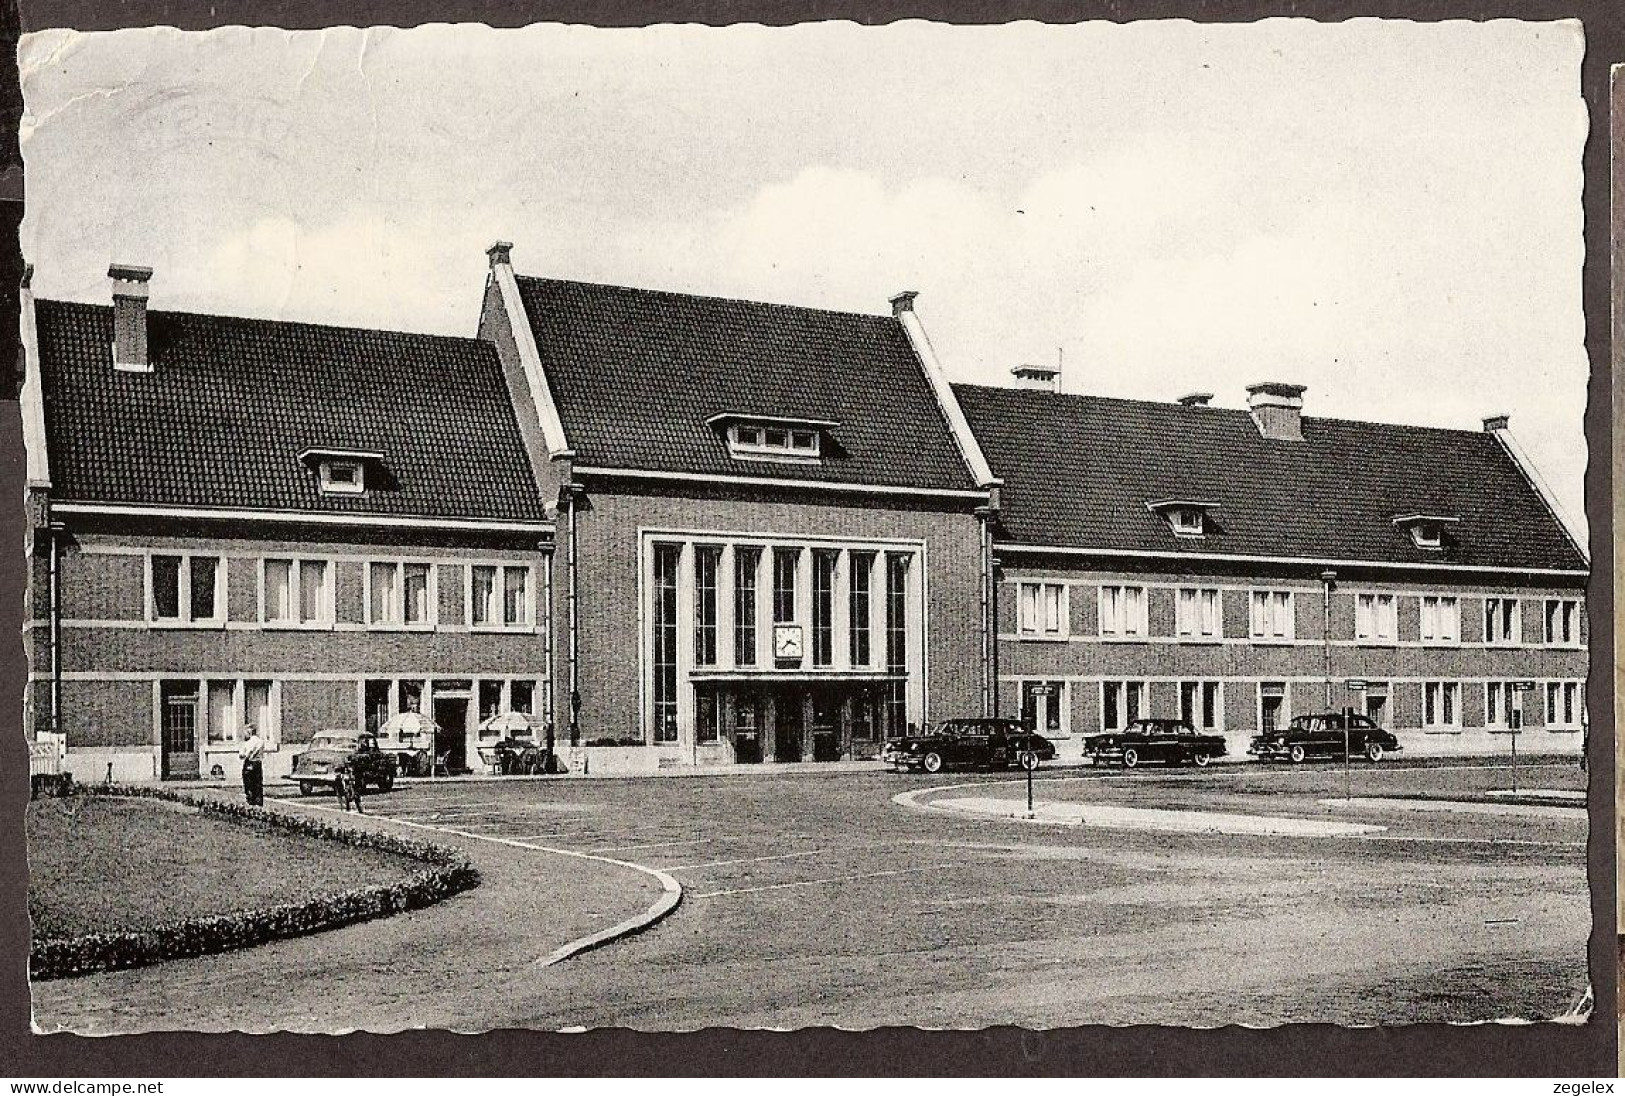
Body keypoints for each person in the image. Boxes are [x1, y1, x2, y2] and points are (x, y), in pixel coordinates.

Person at [237, 723, 265, 806]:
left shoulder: (247, 743)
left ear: (249, 731)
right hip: (258, 763)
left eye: (245, 731)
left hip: (249, 762)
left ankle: (250, 800)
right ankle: (259, 802)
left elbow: (243, 755)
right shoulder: (261, 742)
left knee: (248, 783)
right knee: (258, 783)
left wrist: (245, 754)